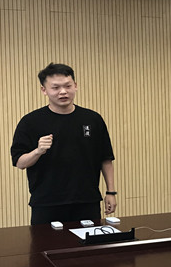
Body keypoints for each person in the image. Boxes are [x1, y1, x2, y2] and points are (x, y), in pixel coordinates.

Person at [11, 63, 117, 225]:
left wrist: (111, 192)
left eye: (68, 86)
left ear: (75, 86)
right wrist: (38, 151)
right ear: (44, 90)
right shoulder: (30, 122)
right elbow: (20, 163)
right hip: (47, 203)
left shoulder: (92, 119)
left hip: (87, 201)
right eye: (55, 87)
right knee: (45, 242)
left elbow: (105, 158)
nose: (63, 92)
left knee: (91, 241)